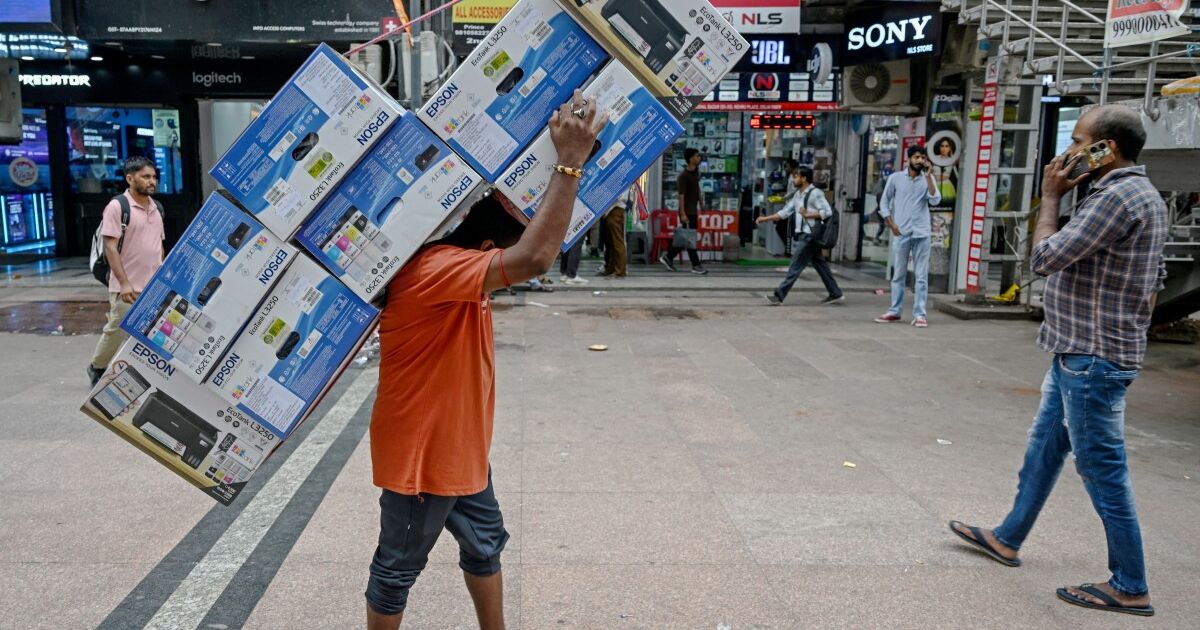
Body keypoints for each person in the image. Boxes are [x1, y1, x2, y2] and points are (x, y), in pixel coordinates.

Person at [365, 90, 602, 630]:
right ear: (491, 243)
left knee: (485, 546)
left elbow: (531, 253)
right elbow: (536, 256)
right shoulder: (436, 269)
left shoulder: (460, 275)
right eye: (505, 255)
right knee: (397, 568)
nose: (514, 278)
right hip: (423, 457)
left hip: (462, 449)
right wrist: (569, 162)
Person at [949, 106, 1166, 617]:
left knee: (1103, 470)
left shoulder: (1115, 196)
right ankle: (1007, 537)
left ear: (1105, 149)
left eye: (1077, 140)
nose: (1067, 151)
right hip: (1083, 351)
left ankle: (1130, 585)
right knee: (1044, 450)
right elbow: (1153, 283)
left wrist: (1050, 197)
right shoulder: (1142, 193)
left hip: (1093, 358)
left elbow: (1044, 259)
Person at [86, 156, 164, 386]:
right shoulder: (118, 206)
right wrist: (124, 283)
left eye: (153, 177)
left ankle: (146, 375)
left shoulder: (157, 207)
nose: (152, 181)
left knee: (151, 331)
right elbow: (110, 247)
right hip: (127, 285)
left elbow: (158, 245)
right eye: (145, 177)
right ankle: (97, 367)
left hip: (152, 284)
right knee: (117, 330)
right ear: (130, 178)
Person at [874, 145, 941, 328]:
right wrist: (891, 224)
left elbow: (935, 200)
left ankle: (920, 314)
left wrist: (928, 178)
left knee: (921, 276)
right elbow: (884, 202)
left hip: (922, 233)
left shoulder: (928, 179)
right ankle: (895, 311)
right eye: (917, 157)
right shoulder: (896, 179)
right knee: (899, 275)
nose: (920, 161)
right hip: (901, 233)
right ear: (908, 159)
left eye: (922, 158)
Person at [757, 166, 843, 306]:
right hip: (806, 235)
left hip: (810, 235)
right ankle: (835, 293)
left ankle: (779, 295)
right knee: (820, 265)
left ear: (804, 178)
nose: (793, 179)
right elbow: (785, 212)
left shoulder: (815, 193)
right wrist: (765, 219)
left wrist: (808, 214)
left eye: (796, 176)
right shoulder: (798, 195)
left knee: (795, 265)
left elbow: (827, 212)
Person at [659, 148, 707, 275]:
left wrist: (701, 203)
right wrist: (682, 213)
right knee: (690, 239)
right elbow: (681, 196)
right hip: (687, 211)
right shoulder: (683, 176)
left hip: (693, 210)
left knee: (687, 238)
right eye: (697, 156)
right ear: (691, 158)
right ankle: (696, 265)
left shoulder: (696, 173)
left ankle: (668, 257)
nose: (699, 158)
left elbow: (697, 190)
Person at [597, 187, 631, 278]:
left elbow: (618, 196)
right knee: (611, 243)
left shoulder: (622, 178)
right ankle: (611, 269)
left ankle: (620, 271)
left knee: (617, 242)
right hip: (613, 210)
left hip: (616, 209)